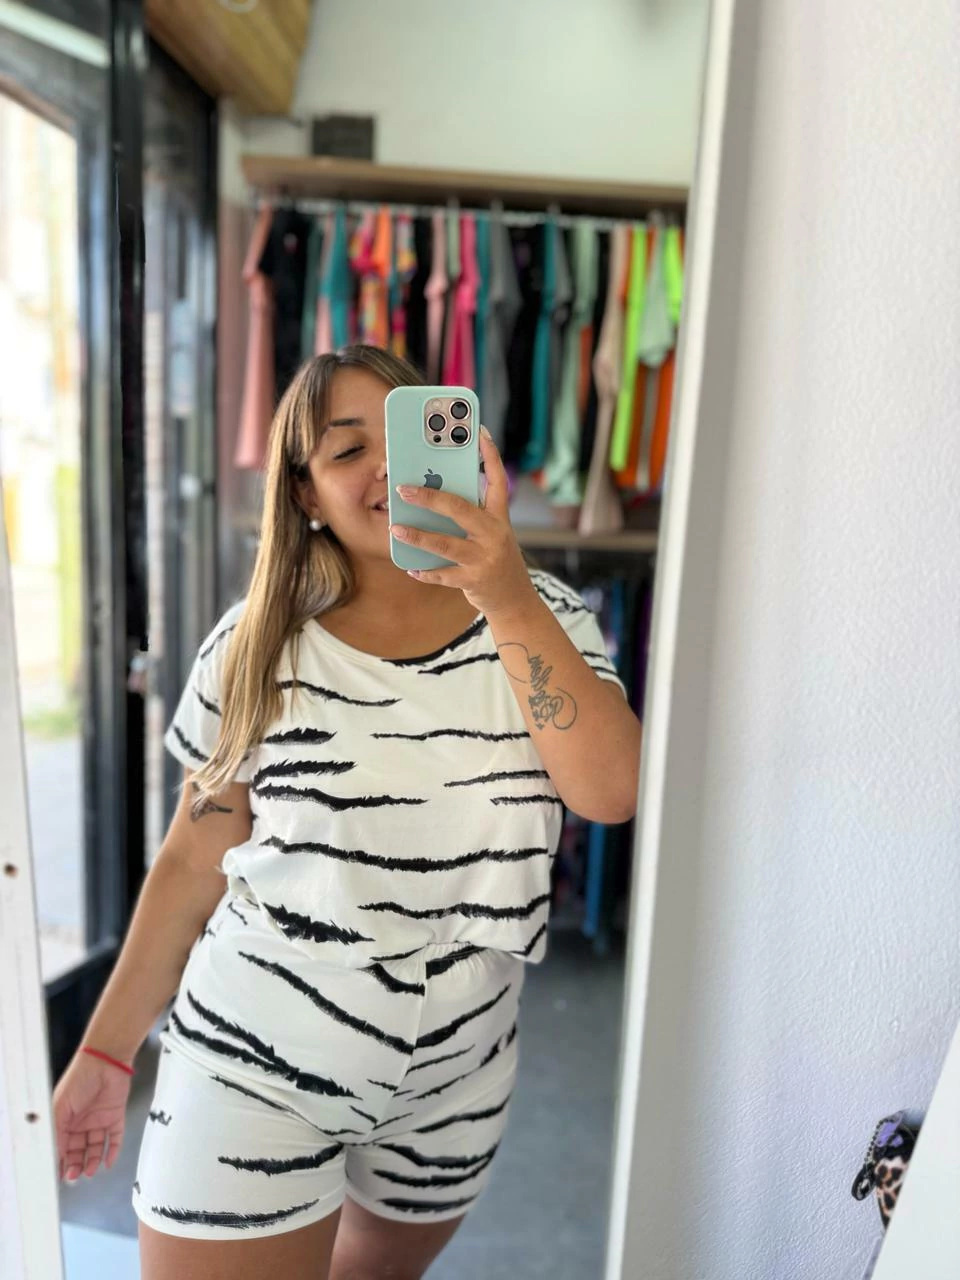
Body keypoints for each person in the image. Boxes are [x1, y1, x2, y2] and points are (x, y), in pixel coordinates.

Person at [52, 345, 642, 1280]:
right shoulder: (256, 643)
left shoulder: (546, 616)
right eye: (347, 448)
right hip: (257, 1048)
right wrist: (107, 1051)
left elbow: (609, 790)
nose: (385, 469)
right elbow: (193, 861)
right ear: (305, 494)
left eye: (407, 437)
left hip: (458, 1069)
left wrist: (502, 590)